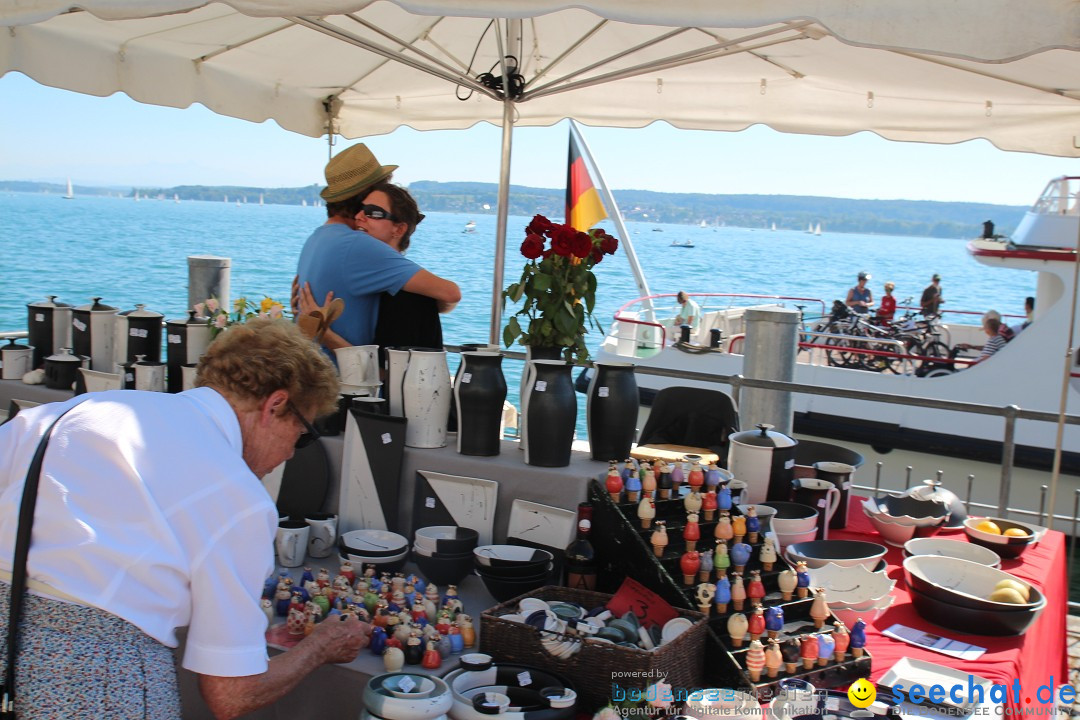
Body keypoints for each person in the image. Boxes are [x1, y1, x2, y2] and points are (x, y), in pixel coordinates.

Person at [0, 319, 367, 718]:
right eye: (303, 433)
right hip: (97, 682)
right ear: (275, 405)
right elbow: (232, 695)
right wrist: (321, 647)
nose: (293, 453)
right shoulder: (237, 496)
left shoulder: (71, 412)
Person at [295, 144, 460, 350]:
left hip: (313, 370)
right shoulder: (357, 244)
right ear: (365, 195)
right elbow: (450, 292)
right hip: (343, 378)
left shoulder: (315, 239)